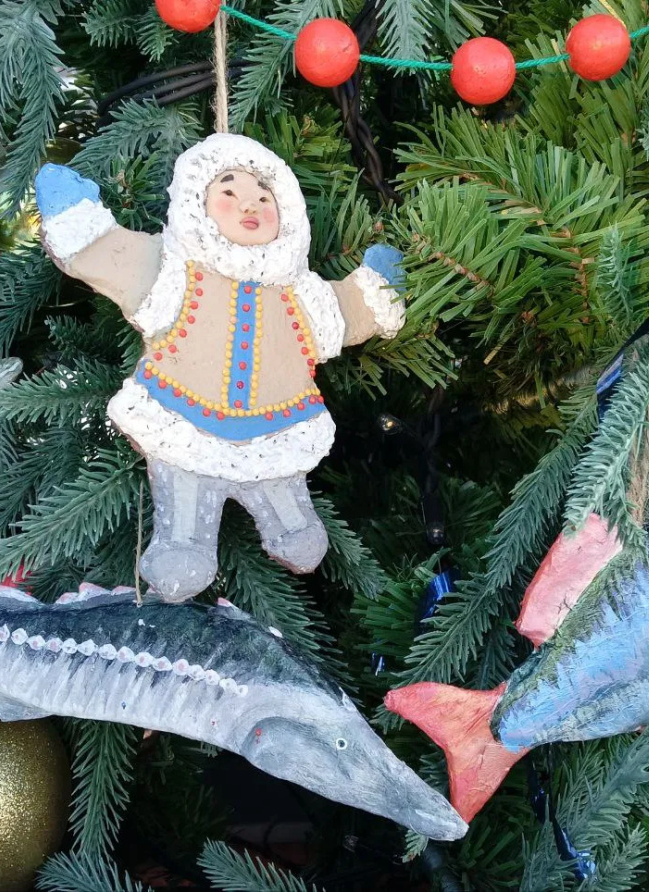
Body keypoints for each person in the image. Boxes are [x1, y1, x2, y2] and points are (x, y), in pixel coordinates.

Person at [36, 133, 405, 601]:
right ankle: (183, 546)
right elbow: (116, 258)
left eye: (264, 198)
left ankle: (293, 526)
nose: (250, 205)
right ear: (198, 204)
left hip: (276, 422)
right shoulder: (174, 273)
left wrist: (377, 288)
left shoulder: (301, 294)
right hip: (185, 417)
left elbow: (345, 311)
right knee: (184, 479)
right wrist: (77, 217)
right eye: (229, 193)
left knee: (279, 477)